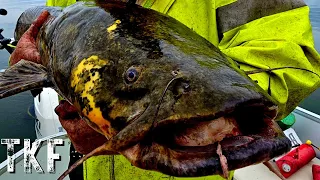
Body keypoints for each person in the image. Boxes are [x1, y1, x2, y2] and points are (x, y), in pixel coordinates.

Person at [10, 0, 320, 180]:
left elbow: (289, 60)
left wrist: (207, 112)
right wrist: (25, 61)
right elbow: (52, 65)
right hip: (94, 167)